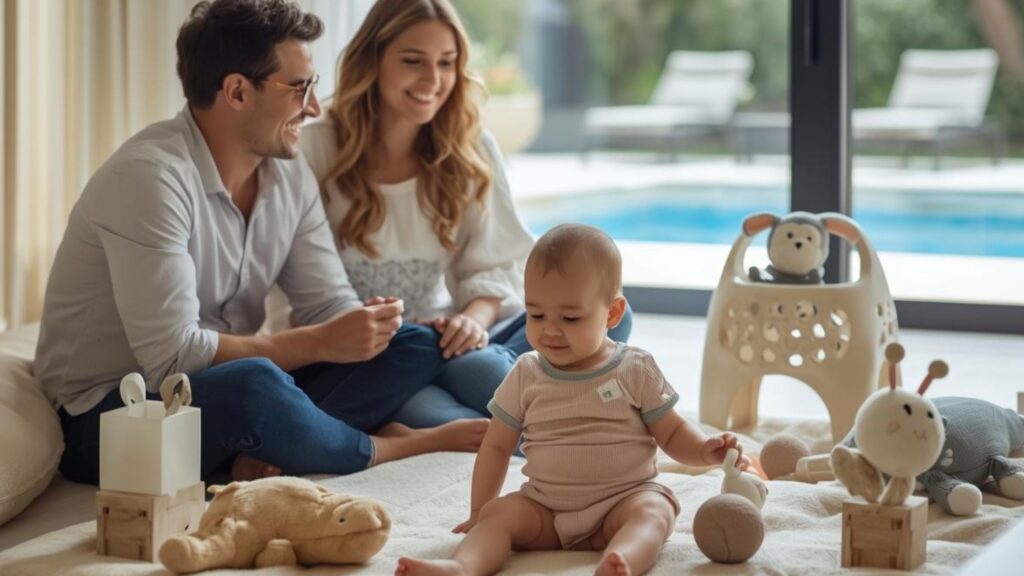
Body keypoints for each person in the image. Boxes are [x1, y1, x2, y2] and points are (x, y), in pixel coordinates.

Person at [34, 0, 486, 486]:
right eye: (299, 88)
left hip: (217, 391)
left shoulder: (288, 174)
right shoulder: (150, 179)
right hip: (114, 414)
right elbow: (173, 359)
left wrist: (367, 328)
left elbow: (326, 304)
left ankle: (270, 445)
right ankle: (386, 445)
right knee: (254, 386)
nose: (313, 107)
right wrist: (318, 342)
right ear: (236, 91)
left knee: (415, 343)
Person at [300, 0, 632, 430]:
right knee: (435, 406)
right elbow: (304, 292)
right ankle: (574, 424)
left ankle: (519, 406)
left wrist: (471, 322)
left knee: (607, 315)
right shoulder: (315, 147)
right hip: (373, 360)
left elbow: (500, 261)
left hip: (453, 338)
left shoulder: (470, 147)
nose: (432, 80)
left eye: (446, 63)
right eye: (413, 61)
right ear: (373, 60)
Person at [395, 224, 749, 576]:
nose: (550, 329)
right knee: (498, 516)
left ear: (612, 313)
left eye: (570, 317)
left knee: (654, 511)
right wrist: (479, 510)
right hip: (545, 510)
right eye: (536, 315)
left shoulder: (634, 367)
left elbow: (671, 433)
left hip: (622, 500)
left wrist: (704, 451)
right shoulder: (526, 372)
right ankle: (462, 567)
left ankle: (622, 560)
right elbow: (497, 446)